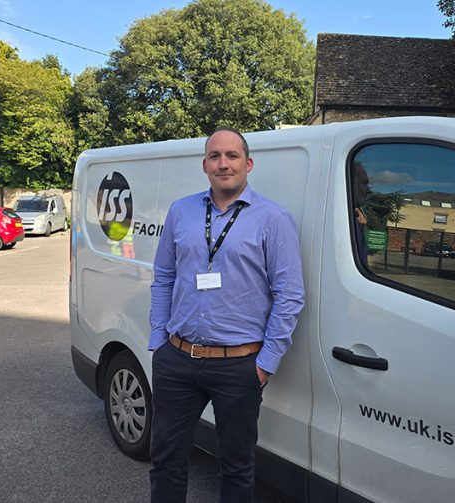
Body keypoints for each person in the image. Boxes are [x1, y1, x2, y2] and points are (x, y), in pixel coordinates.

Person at [148, 126, 305, 502]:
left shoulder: (273, 218)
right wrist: (158, 340)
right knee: (165, 459)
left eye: (232, 156)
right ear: (204, 165)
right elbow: (164, 277)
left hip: (239, 365)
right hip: (177, 359)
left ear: (248, 164)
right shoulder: (181, 211)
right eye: (215, 156)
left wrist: (265, 363)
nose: (224, 164)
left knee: (236, 467)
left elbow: (290, 295)